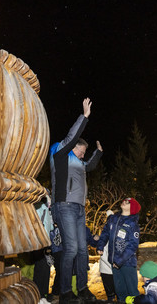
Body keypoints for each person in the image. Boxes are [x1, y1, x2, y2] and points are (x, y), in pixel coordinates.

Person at [50, 98, 103, 303]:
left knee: (82, 249)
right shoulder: (61, 155)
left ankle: (82, 288)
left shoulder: (80, 163)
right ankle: (65, 292)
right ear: (73, 147)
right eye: (81, 151)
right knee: (71, 248)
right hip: (65, 206)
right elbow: (71, 138)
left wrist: (97, 153)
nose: (82, 155)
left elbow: (89, 166)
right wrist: (84, 117)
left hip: (80, 209)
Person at [97, 198, 141, 302]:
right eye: (125, 200)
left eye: (128, 202)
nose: (124, 202)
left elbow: (133, 245)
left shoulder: (133, 224)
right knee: (120, 290)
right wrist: (100, 245)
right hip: (114, 262)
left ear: (132, 208)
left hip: (127, 263)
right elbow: (105, 233)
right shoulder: (113, 218)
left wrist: (119, 261)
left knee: (131, 291)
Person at [99, 210, 117, 303]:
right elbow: (102, 253)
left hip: (114, 269)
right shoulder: (104, 236)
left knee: (117, 291)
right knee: (110, 294)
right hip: (106, 269)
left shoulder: (116, 236)